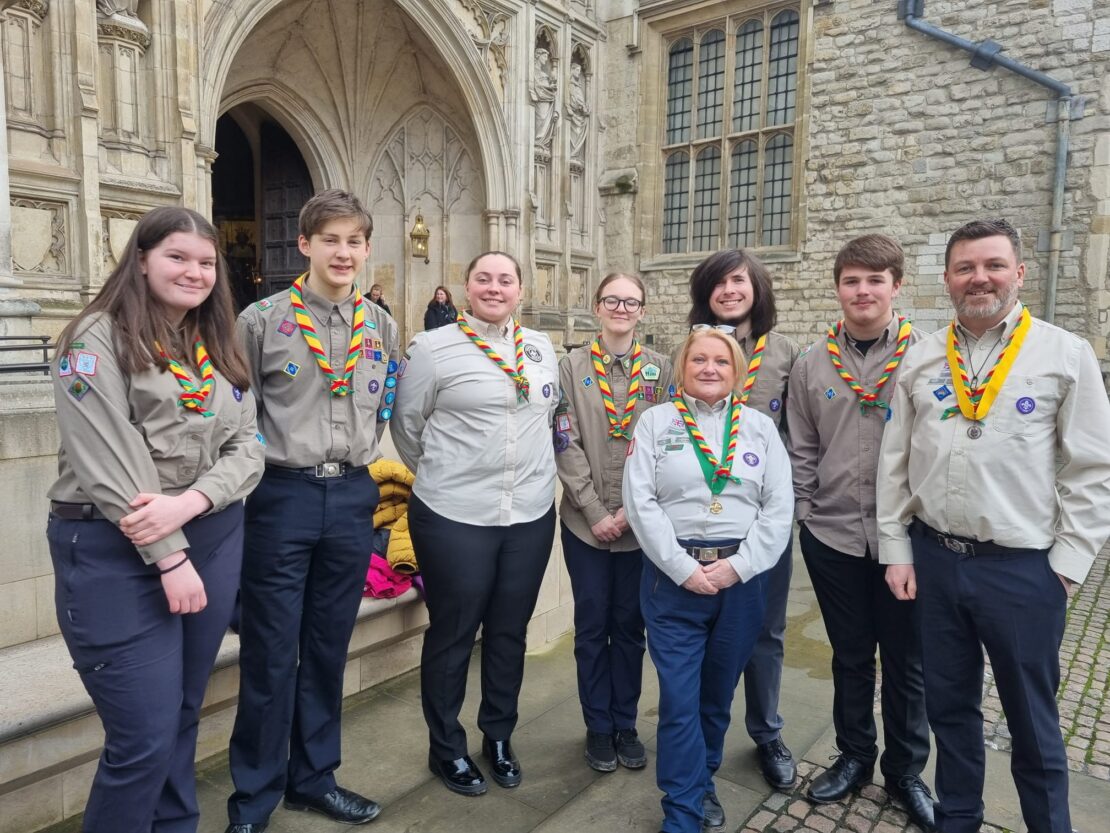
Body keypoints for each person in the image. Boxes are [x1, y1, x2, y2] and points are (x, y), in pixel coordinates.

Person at [877, 218, 1110, 833]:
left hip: (1022, 570)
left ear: (1018, 273)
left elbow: (1093, 467)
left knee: (1033, 723)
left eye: (993, 265)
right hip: (936, 563)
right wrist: (897, 549)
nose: (979, 278)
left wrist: (1067, 565)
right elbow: (895, 462)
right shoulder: (923, 359)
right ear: (948, 279)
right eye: (965, 268)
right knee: (950, 713)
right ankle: (959, 821)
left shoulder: (1064, 354)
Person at [46, 206, 266, 833]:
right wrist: (170, 554)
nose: (194, 272)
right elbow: (109, 461)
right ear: (141, 258)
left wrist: (193, 503)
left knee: (182, 715)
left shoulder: (213, 343)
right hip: (116, 547)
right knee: (141, 737)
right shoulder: (95, 338)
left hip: (211, 533)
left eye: (206, 261)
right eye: (177, 257)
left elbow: (249, 447)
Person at [226, 190, 400, 832]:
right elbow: (237, 417)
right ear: (305, 245)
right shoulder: (261, 321)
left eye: (355, 241)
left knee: (327, 647)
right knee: (271, 654)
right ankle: (253, 798)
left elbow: (386, 406)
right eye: (331, 239)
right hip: (281, 497)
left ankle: (314, 778)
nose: (344, 252)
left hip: (353, 494)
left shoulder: (379, 325)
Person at [392, 251, 559, 797]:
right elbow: (407, 426)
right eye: (483, 278)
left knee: (509, 631)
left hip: (529, 512)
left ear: (520, 289)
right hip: (455, 515)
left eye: (505, 279)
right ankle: (447, 748)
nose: (494, 287)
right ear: (466, 287)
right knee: (454, 633)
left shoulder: (541, 349)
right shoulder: (433, 348)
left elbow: (547, 417)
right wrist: (449, 475)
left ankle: (499, 736)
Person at [786, 235, 934, 829]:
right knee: (849, 657)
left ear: (896, 286)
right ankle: (853, 757)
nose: (863, 291)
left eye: (876, 280)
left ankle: (905, 773)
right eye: (852, 280)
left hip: (909, 541)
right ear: (838, 288)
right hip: (834, 536)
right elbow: (801, 447)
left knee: (908, 662)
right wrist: (803, 515)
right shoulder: (811, 363)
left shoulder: (929, 357)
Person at [625, 328, 793, 833]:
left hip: (740, 583)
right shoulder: (656, 422)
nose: (710, 368)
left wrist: (737, 567)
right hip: (672, 582)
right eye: (698, 359)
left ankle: (704, 782)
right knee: (679, 702)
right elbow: (641, 501)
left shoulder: (761, 429)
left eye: (721, 360)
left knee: (716, 698)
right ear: (682, 368)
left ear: (738, 371)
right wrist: (682, 568)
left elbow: (779, 509)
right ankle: (682, 813)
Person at [687, 249, 800, 790]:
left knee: (766, 633)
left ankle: (767, 732)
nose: (729, 290)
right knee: (698, 635)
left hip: (762, 520)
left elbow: (800, 436)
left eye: (738, 280)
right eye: (718, 283)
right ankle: (696, 736)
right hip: (700, 526)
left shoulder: (784, 354)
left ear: (757, 285)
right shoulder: (692, 349)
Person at [554, 272, 673, 773]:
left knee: (630, 627)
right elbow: (565, 439)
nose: (621, 309)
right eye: (612, 300)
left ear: (642, 311)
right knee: (591, 626)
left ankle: (625, 721)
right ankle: (597, 725)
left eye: (631, 302)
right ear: (597, 307)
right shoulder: (570, 366)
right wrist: (597, 511)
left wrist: (630, 512)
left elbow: (665, 444)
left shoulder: (663, 370)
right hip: (585, 524)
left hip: (639, 527)